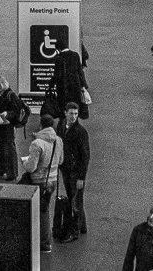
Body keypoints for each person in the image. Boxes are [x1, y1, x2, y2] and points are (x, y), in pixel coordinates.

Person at [21, 113, 64, 253]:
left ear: (41, 125)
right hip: (52, 181)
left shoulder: (37, 143)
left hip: (39, 181)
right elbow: (61, 161)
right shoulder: (58, 140)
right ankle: (43, 239)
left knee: (41, 212)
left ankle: (45, 243)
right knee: (44, 209)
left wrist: (25, 162)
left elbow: (31, 167)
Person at [54, 101, 89, 243]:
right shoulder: (61, 126)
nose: (74, 116)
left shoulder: (81, 132)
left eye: (76, 114)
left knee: (76, 201)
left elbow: (85, 156)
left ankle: (74, 231)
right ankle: (82, 226)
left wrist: (82, 177)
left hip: (75, 171)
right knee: (74, 197)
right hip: (66, 168)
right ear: (65, 113)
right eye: (71, 113)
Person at [0, 76, 23, 179]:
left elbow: (16, 111)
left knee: (9, 149)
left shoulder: (11, 95)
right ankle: (2, 170)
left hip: (8, 126)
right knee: (1, 149)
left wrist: (7, 113)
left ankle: (12, 173)